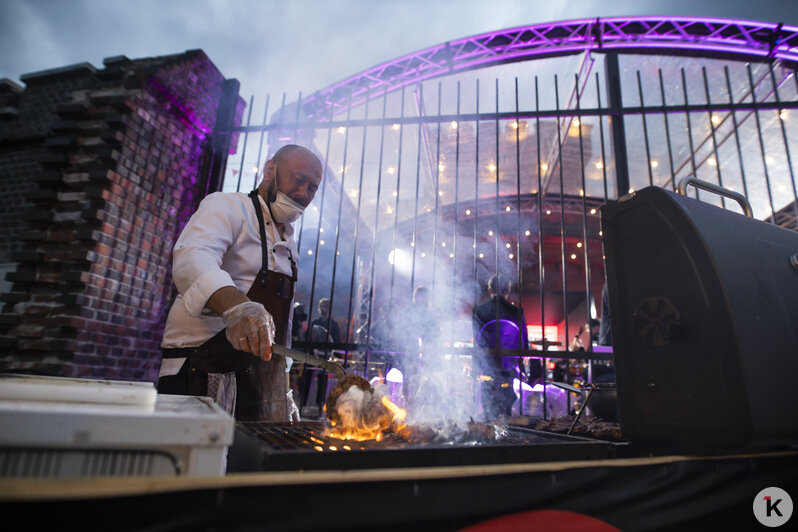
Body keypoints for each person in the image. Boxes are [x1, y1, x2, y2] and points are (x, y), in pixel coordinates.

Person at [157, 144, 322, 422]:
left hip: (259, 389)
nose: (303, 193)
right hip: (200, 372)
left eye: (313, 187)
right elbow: (193, 257)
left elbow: (282, 328)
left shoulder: (289, 246)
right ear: (271, 170)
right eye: (299, 179)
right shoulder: (228, 206)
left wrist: (283, 390)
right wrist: (237, 308)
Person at [472, 274, 532, 417]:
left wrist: (477, 367)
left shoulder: (479, 311)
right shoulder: (516, 312)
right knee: (508, 408)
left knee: (487, 408)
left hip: (487, 368)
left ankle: (486, 429)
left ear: (489, 290)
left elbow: (477, 342)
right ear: (507, 291)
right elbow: (523, 345)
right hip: (509, 369)